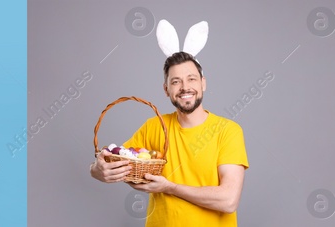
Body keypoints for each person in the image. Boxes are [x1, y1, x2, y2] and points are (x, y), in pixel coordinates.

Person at [88, 20, 248, 227]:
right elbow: (114, 160)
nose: (184, 87)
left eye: (191, 79)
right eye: (176, 81)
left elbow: (228, 200)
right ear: (166, 90)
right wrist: (97, 169)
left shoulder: (228, 131)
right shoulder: (154, 126)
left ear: (203, 83)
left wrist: (169, 187)